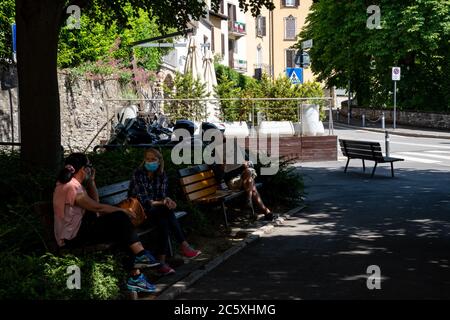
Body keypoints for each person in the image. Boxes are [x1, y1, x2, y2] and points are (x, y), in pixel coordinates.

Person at [53, 153, 159, 293]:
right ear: (84, 169)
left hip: (79, 231)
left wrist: (91, 182)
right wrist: (123, 211)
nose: (92, 169)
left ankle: (136, 277)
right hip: (72, 238)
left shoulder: (74, 185)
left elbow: (95, 204)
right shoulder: (70, 187)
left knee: (121, 231)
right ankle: (141, 255)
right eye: (90, 166)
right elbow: (97, 207)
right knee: (120, 218)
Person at [129, 148, 201, 276]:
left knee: (164, 220)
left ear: (159, 161)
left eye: (153, 159)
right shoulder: (138, 174)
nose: (150, 162)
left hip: (156, 212)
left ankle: (162, 264)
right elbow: (144, 201)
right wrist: (164, 203)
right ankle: (183, 246)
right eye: (147, 159)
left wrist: (168, 200)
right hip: (140, 213)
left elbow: (162, 196)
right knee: (165, 213)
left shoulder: (161, 174)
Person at [217, 136, 274, 221]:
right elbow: (220, 173)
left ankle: (251, 202)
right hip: (232, 182)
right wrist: (223, 165)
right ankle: (262, 209)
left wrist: (245, 163)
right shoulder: (216, 152)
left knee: (247, 172)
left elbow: (249, 162)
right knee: (252, 186)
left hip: (244, 178)